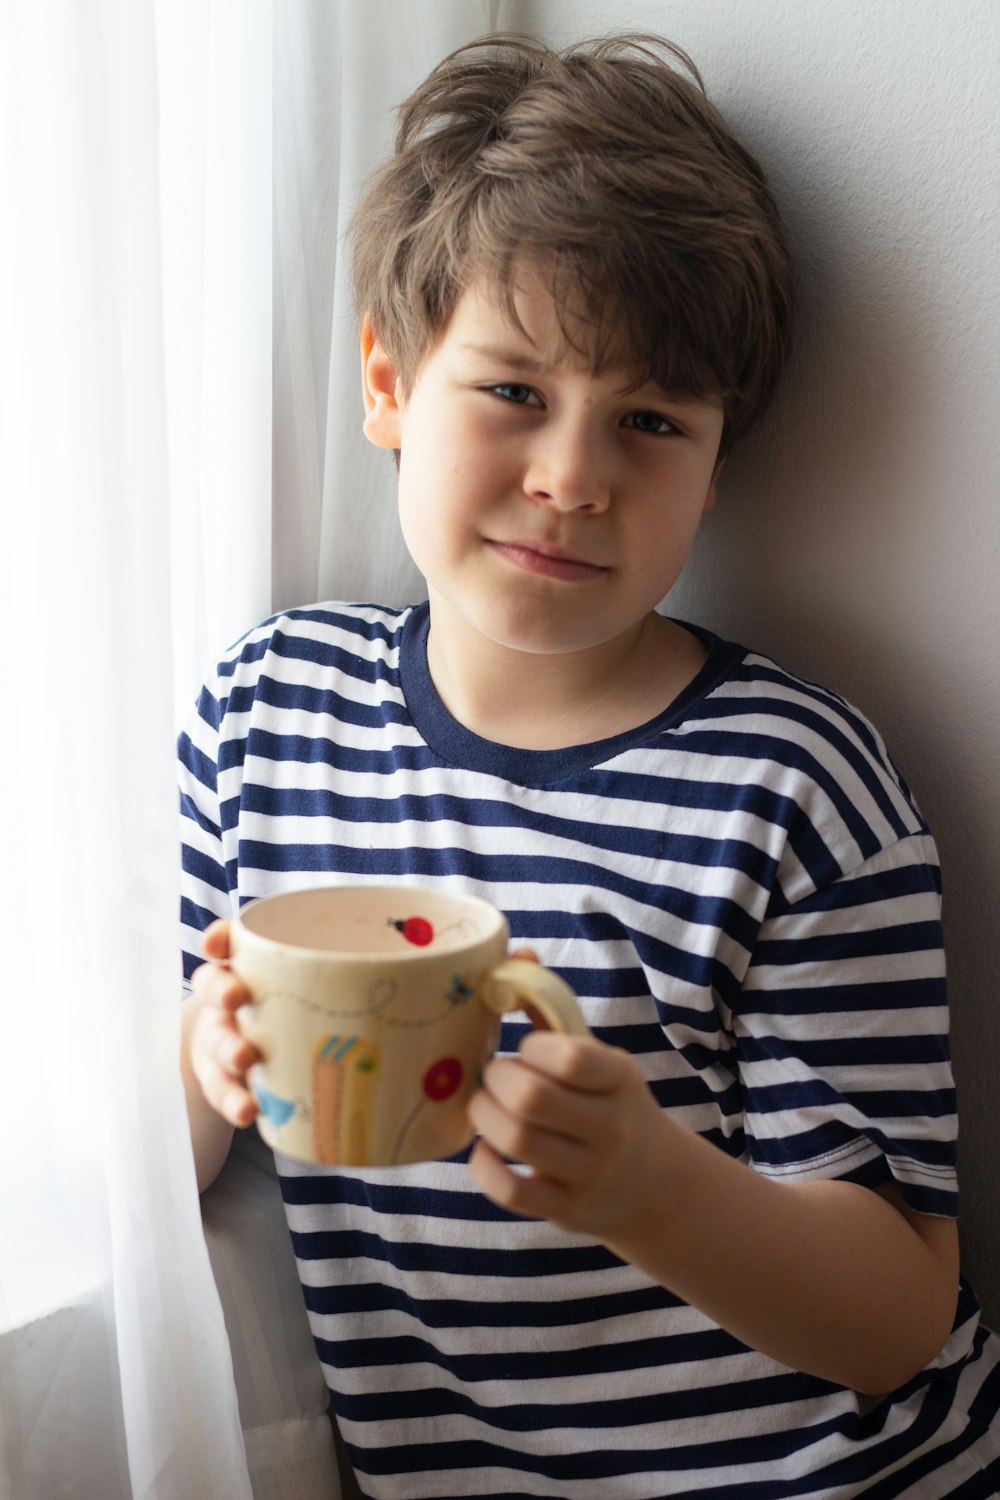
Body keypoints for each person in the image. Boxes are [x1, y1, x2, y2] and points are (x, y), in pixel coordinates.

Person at [178, 33, 1000, 1499]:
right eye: (511, 392)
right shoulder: (265, 714)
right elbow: (173, 1127)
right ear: (386, 379)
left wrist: (648, 1187)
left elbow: (895, 1320)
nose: (571, 475)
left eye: (649, 421)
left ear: (718, 458)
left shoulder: (797, 788)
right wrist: (201, 1063)